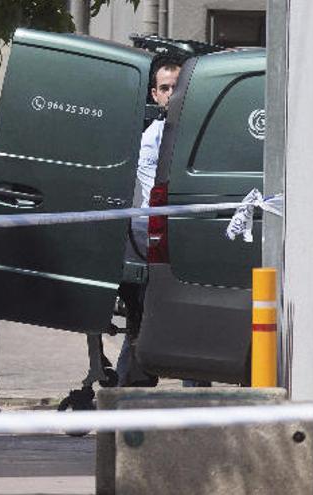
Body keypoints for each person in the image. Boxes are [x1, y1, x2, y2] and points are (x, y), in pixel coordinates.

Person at [116, 55, 181, 388]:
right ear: (154, 95)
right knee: (142, 318)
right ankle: (124, 386)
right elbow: (160, 190)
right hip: (148, 242)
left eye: (176, 86)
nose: (170, 93)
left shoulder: (194, 131)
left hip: (180, 238)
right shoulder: (151, 138)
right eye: (164, 88)